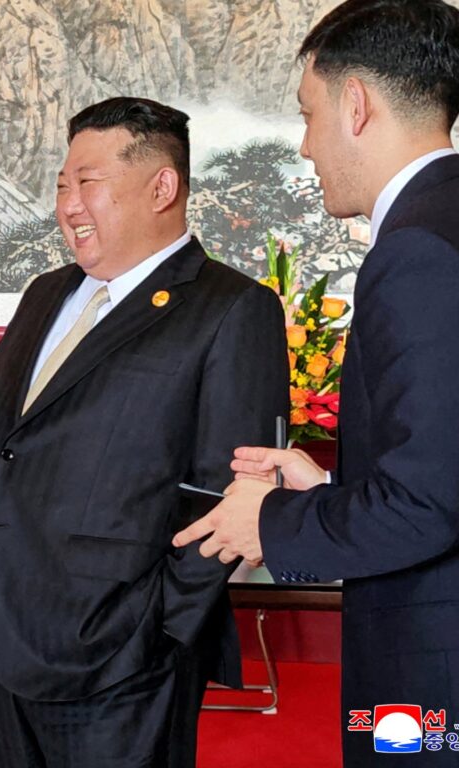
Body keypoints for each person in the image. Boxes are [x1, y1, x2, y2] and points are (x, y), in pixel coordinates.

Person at [0, 97, 288, 767]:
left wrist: (158, 628)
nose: (69, 205)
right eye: (62, 185)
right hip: (0, 638)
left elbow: (232, 493)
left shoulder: (231, 308)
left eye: (88, 182)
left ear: (162, 187)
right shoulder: (48, 293)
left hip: (123, 659)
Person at [173, 0, 459, 764]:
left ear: (355, 104)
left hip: (435, 671)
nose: (304, 146)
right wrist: (328, 488)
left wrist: (268, 522)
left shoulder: (419, 253)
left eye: (307, 115)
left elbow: (426, 506)